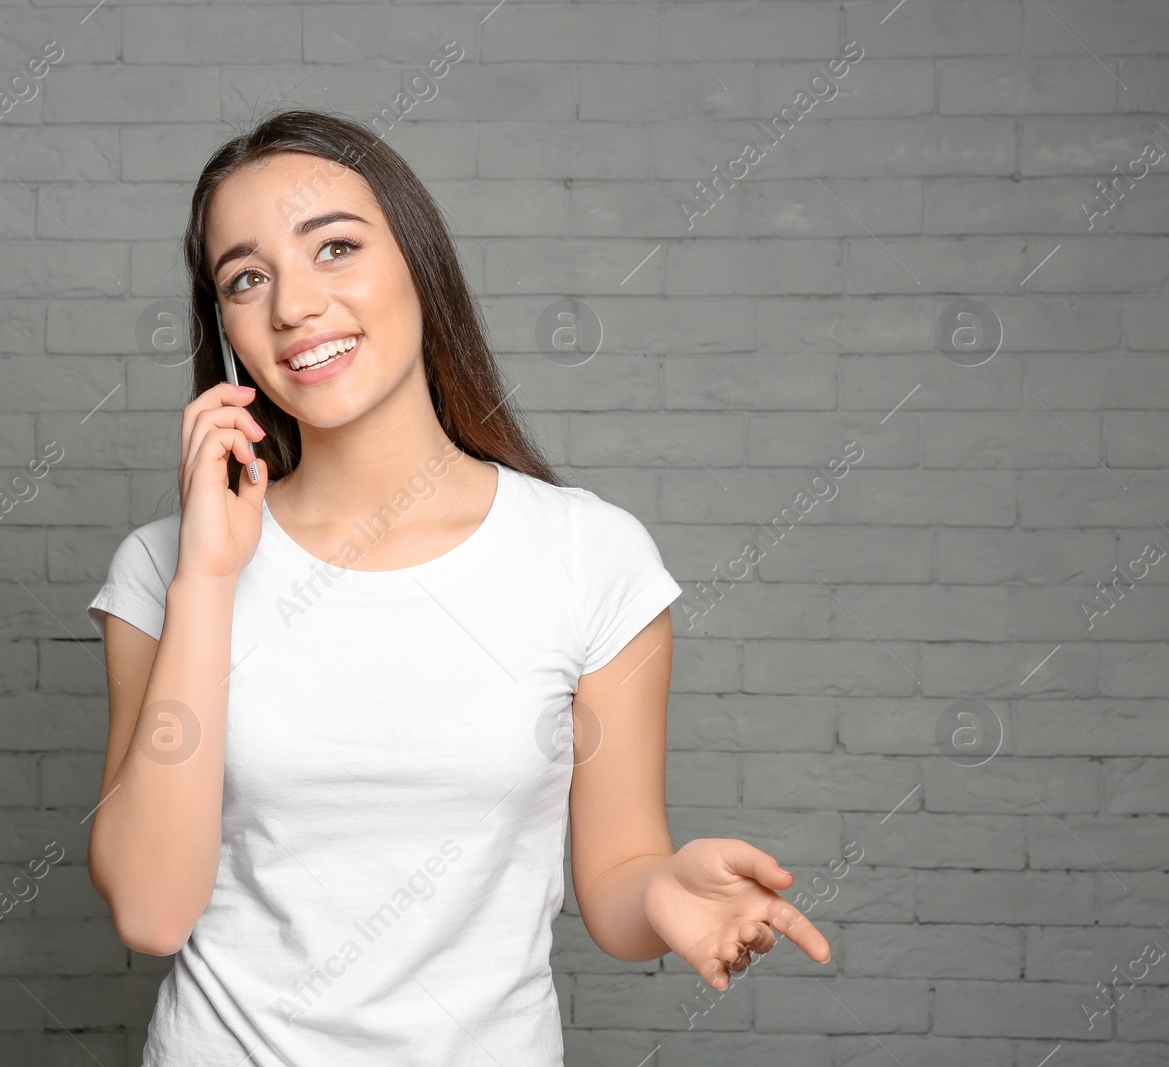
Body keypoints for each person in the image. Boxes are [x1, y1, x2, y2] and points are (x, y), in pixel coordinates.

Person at [84, 108, 831, 1067]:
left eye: (336, 248)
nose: (294, 306)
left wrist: (661, 891)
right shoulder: (163, 570)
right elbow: (150, 910)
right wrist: (209, 578)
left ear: (418, 267)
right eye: (247, 278)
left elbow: (614, 876)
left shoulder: (589, 557)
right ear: (226, 330)